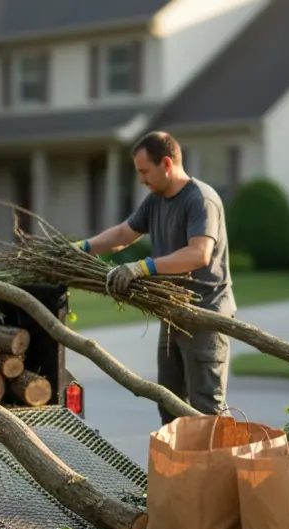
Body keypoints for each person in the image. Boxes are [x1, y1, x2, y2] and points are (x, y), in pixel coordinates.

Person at [75, 131, 236, 423]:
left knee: (206, 410)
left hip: (205, 316)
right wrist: (82, 248)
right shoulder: (155, 201)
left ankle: (216, 469)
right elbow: (124, 234)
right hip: (172, 314)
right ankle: (180, 470)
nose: (141, 180)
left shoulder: (201, 199)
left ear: (165, 163)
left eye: (144, 171)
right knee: (170, 404)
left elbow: (199, 253)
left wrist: (143, 267)